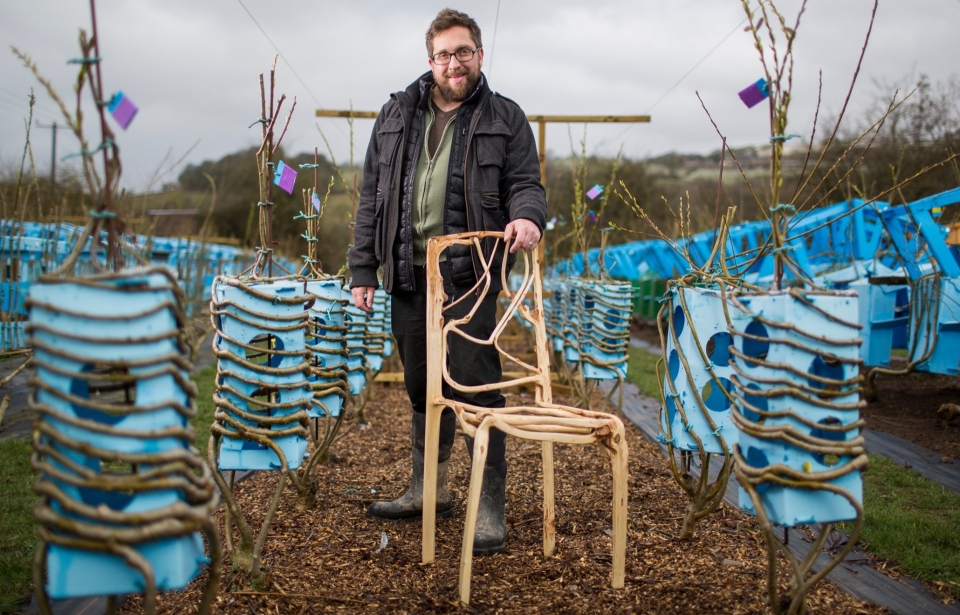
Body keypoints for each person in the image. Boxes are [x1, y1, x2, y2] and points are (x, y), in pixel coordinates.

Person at [349, 8, 547, 554]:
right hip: (408, 273)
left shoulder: (506, 118)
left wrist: (527, 216)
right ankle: (426, 490)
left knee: (473, 385)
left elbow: (525, 183)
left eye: (463, 52)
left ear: (480, 55)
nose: (453, 63)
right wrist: (363, 268)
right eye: (443, 54)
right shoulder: (394, 115)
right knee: (421, 386)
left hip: (471, 276)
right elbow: (371, 199)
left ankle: (488, 506)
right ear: (430, 60)